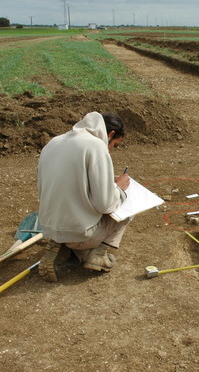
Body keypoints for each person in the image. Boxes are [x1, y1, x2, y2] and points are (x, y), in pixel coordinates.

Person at [37, 111, 131, 282]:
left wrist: (109, 181)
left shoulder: (54, 142)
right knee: (126, 205)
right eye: (114, 145)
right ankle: (97, 255)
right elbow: (105, 205)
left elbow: (68, 179)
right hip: (80, 231)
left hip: (49, 226)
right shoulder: (97, 147)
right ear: (111, 134)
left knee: (82, 211)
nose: (111, 149)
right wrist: (120, 189)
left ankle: (64, 246)